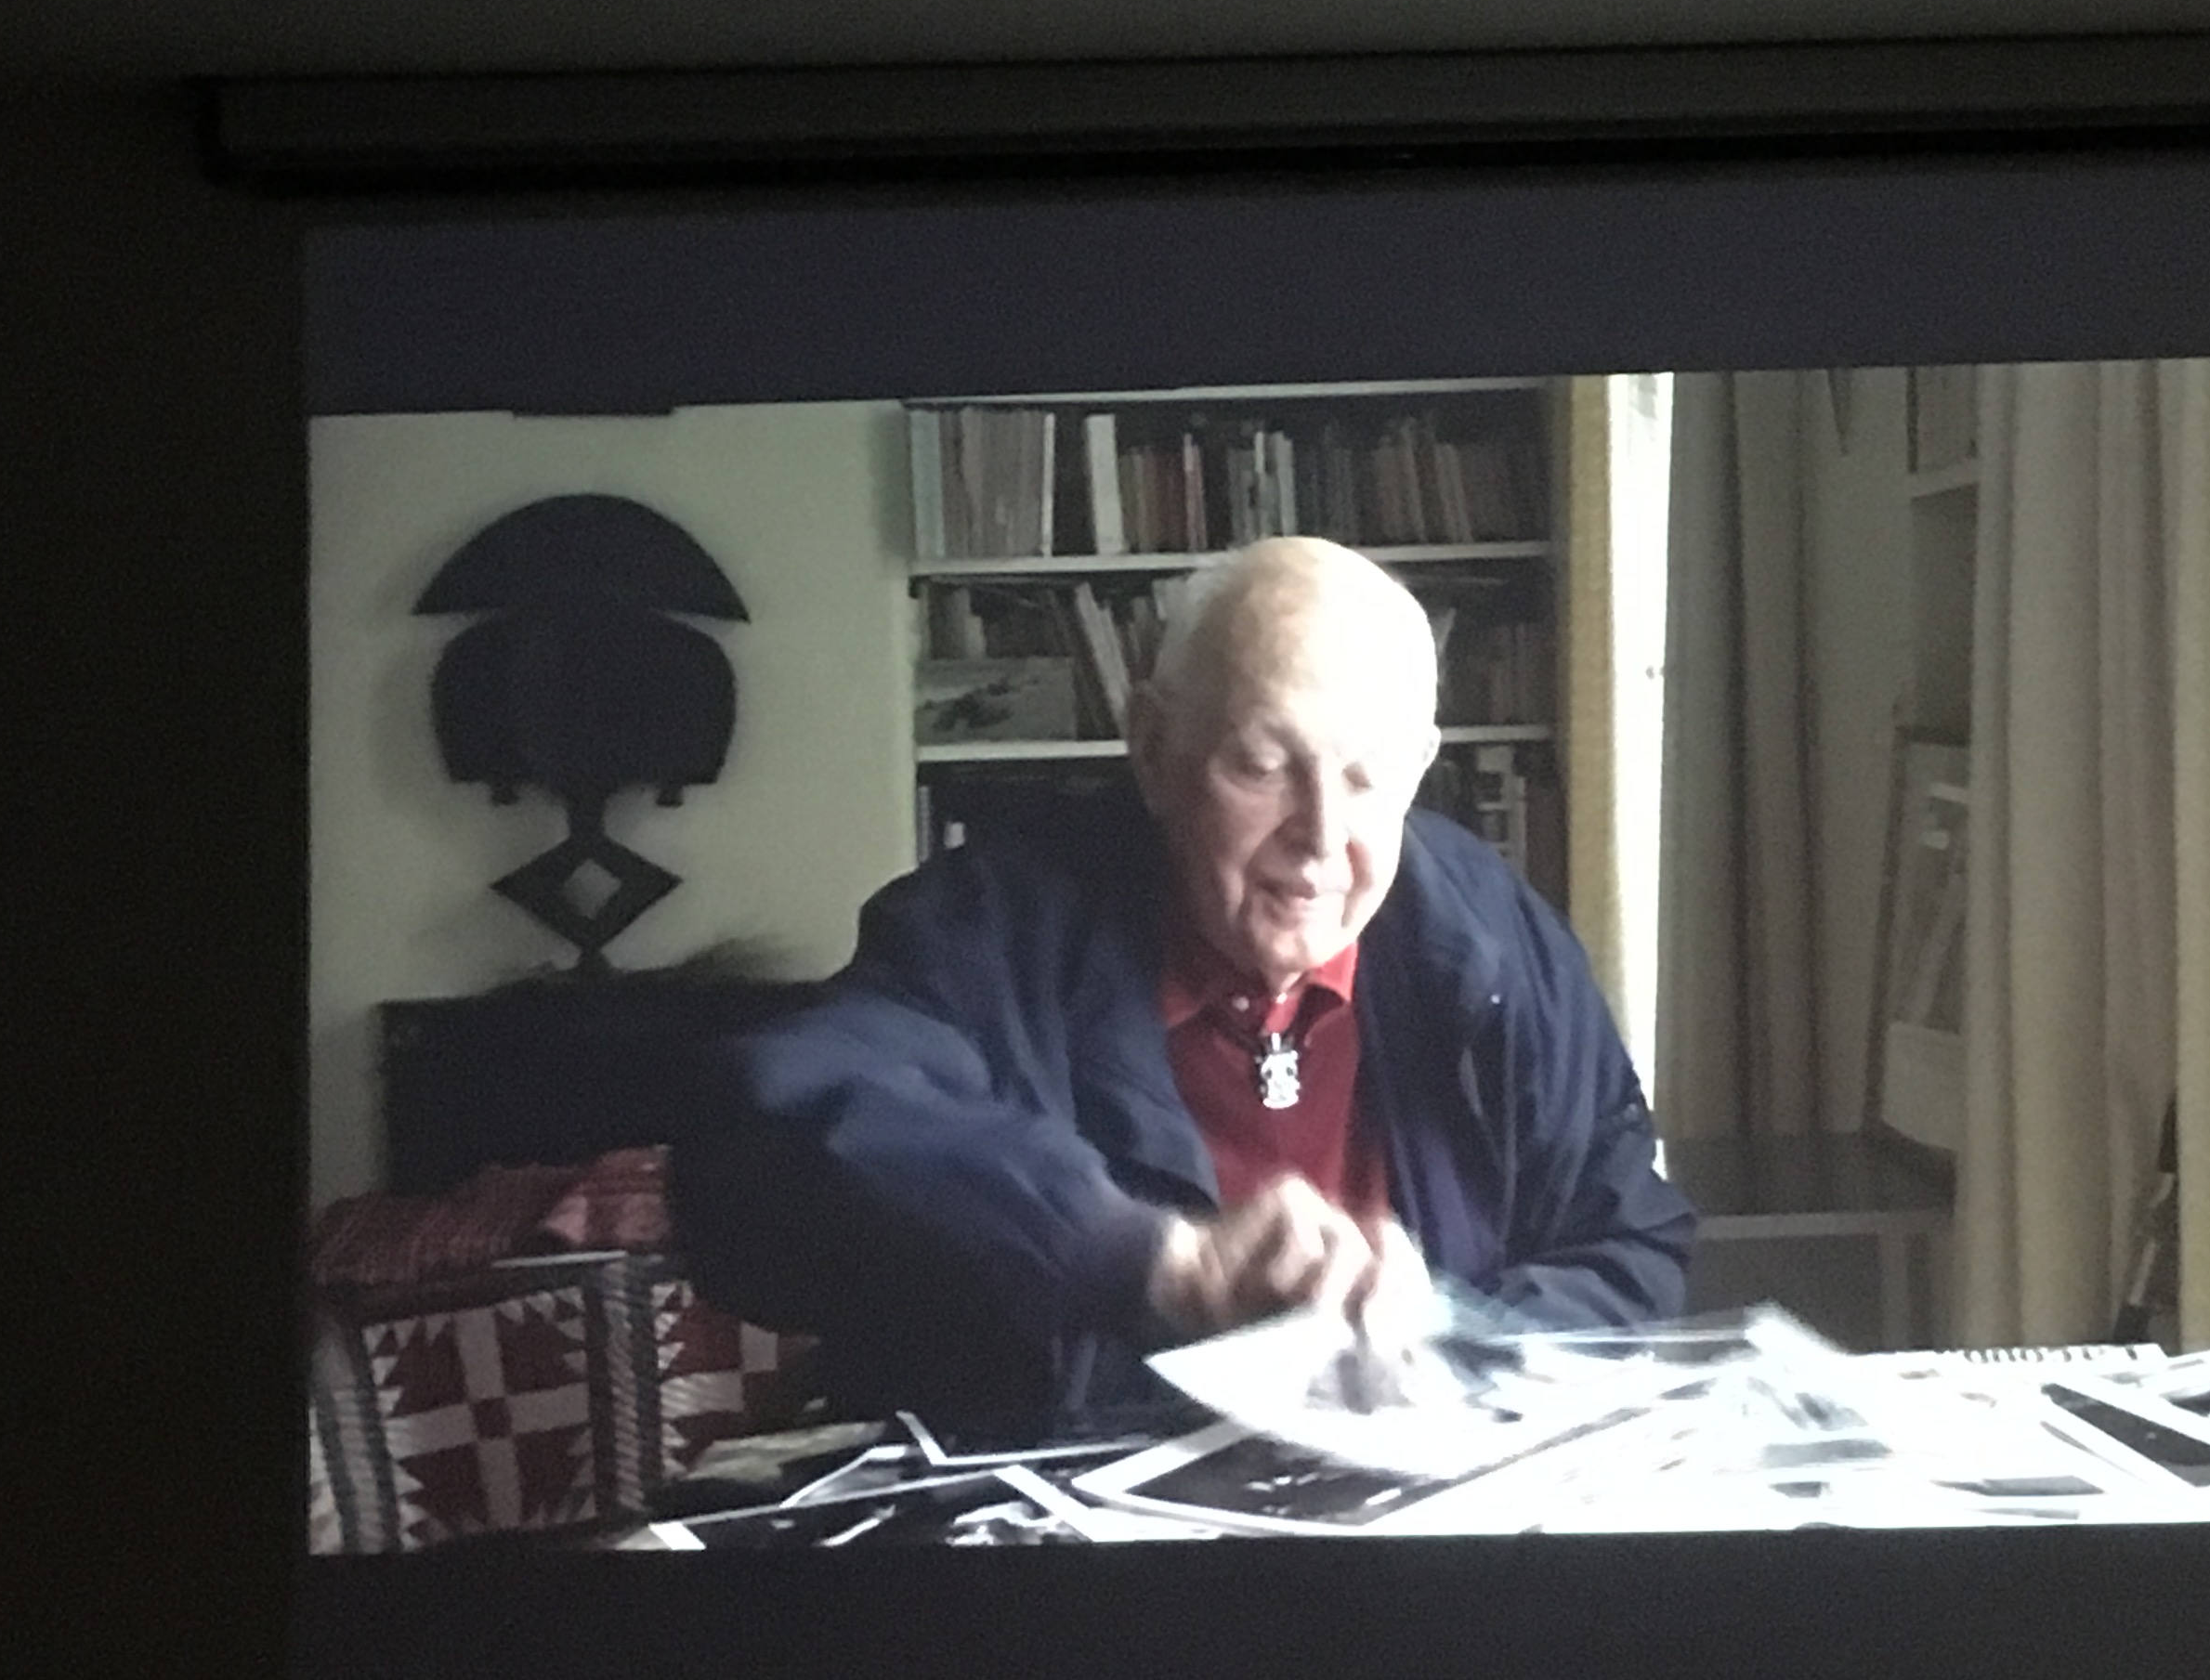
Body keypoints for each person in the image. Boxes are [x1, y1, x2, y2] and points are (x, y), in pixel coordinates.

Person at [673, 537, 1693, 1439]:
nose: (1321, 837)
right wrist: (1145, 1260)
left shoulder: (1492, 937)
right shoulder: (992, 924)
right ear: (1155, 751)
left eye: (1368, 775)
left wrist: (1454, 1332)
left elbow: (1630, 1247)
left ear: (1422, 766)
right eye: (1263, 765)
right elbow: (752, 1157)